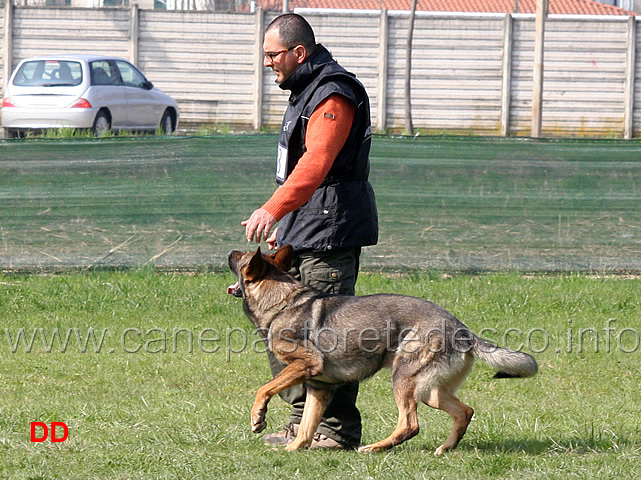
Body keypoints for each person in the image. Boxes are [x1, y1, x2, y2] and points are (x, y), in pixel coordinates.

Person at [241, 13, 378, 450]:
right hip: (309, 225)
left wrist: (273, 209)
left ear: (299, 52)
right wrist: (287, 226)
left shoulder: (333, 94)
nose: (268, 63)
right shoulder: (306, 92)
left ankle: (335, 430)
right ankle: (301, 424)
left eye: (272, 55)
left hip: (332, 230)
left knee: (327, 337)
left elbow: (317, 164)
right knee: (290, 333)